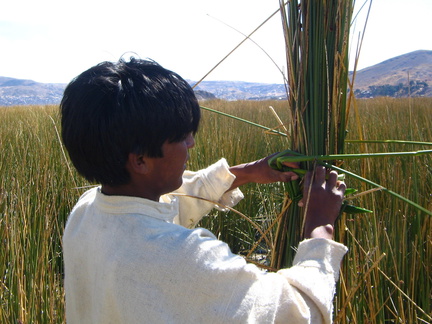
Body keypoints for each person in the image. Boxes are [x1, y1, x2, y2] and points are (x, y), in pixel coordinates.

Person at [60, 57, 347, 324]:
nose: (191, 144)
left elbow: (172, 203)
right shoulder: (185, 258)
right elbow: (299, 311)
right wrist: (320, 228)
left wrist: (247, 172)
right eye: (181, 137)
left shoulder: (86, 212)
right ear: (140, 160)